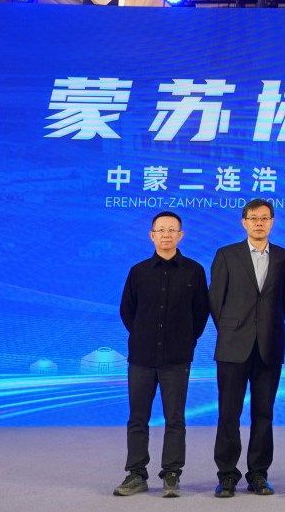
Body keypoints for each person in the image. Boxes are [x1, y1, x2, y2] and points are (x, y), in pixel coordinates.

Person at [114, 211, 210, 498]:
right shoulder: (138, 271)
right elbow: (127, 311)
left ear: (180, 235)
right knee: (138, 418)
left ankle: (171, 473)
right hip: (141, 358)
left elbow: (200, 313)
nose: (166, 234)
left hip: (177, 358)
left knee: (175, 418)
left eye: (172, 230)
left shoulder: (194, 271)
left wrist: (185, 341)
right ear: (152, 235)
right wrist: (143, 335)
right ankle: (136, 473)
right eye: (161, 230)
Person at [207, 199, 285, 497]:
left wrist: (266, 328)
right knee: (228, 413)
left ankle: (258, 473)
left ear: (272, 222)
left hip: (269, 346)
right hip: (233, 346)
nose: (259, 223)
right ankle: (227, 475)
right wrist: (234, 330)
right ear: (244, 222)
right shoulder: (227, 255)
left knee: (264, 414)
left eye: (265, 218)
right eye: (253, 218)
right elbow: (216, 301)